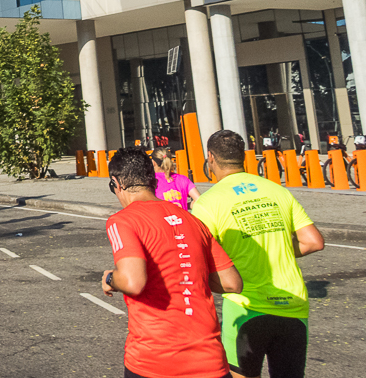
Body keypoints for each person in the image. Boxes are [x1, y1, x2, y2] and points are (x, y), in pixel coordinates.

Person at [192, 130, 325, 378]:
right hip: (293, 305)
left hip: (246, 307)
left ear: (210, 158)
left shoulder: (208, 203)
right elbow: (313, 241)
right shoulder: (277, 190)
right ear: (243, 157)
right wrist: (279, 247)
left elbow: (196, 257)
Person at [103, 148, 242, 378]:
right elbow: (231, 283)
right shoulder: (192, 220)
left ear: (115, 183)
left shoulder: (122, 221)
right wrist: (185, 273)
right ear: (152, 180)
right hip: (209, 361)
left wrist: (109, 277)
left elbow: (132, 281)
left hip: (154, 361)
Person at [151, 146, 200, 210]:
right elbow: (199, 200)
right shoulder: (182, 179)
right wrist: (185, 205)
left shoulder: (152, 181)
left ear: (153, 162)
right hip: (182, 218)